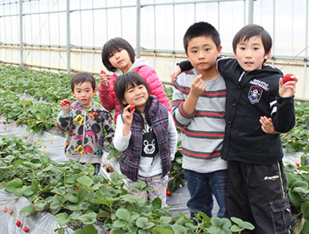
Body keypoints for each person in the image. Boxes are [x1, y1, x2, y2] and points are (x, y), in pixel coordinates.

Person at [175, 23, 297, 233]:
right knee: (222, 209)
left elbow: (284, 122)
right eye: (242, 48)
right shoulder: (220, 70)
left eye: (255, 48)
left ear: (267, 53)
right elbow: (205, 56)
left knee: (257, 209)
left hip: (245, 160)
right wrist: (183, 67)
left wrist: (283, 107)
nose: (248, 55)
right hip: (217, 159)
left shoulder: (259, 78)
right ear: (235, 52)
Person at [172, 22, 228, 219]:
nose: (201, 56)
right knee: (198, 209)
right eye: (194, 51)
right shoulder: (183, 80)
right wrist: (193, 95)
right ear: (187, 55)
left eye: (207, 49)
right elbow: (179, 120)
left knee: (227, 211)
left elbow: (244, 60)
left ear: (219, 50)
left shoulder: (228, 77)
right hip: (192, 162)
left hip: (223, 162)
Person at [113, 72, 177, 207]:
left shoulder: (162, 110)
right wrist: (127, 125)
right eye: (131, 90)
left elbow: (172, 134)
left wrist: (169, 158)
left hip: (158, 172)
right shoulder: (123, 117)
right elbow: (120, 146)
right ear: (123, 100)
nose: (138, 92)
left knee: (158, 207)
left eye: (140, 87)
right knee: (137, 208)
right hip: (134, 174)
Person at [98, 37, 171, 122]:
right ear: (108, 62)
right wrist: (104, 88)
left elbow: (160, 97)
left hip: (149, 122)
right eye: (111, 55)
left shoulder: (145, 71)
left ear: (128, 50)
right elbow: (109, 106)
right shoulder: (113, 81)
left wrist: (169, 120)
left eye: (119, 51)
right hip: (126, 125)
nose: (117, 56)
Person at [56, 72, 115, 175]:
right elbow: (61, 127)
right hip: (73, 156)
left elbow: (111, 133)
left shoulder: (101, 113)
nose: (83, 95)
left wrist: (121, 145)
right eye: (79, 91)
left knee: (90, 185)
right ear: (73, 92)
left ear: (94, 91)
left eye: (87, 90)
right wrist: (65, 112)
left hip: (93, 158)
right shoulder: (71, 111)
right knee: (73, 186)